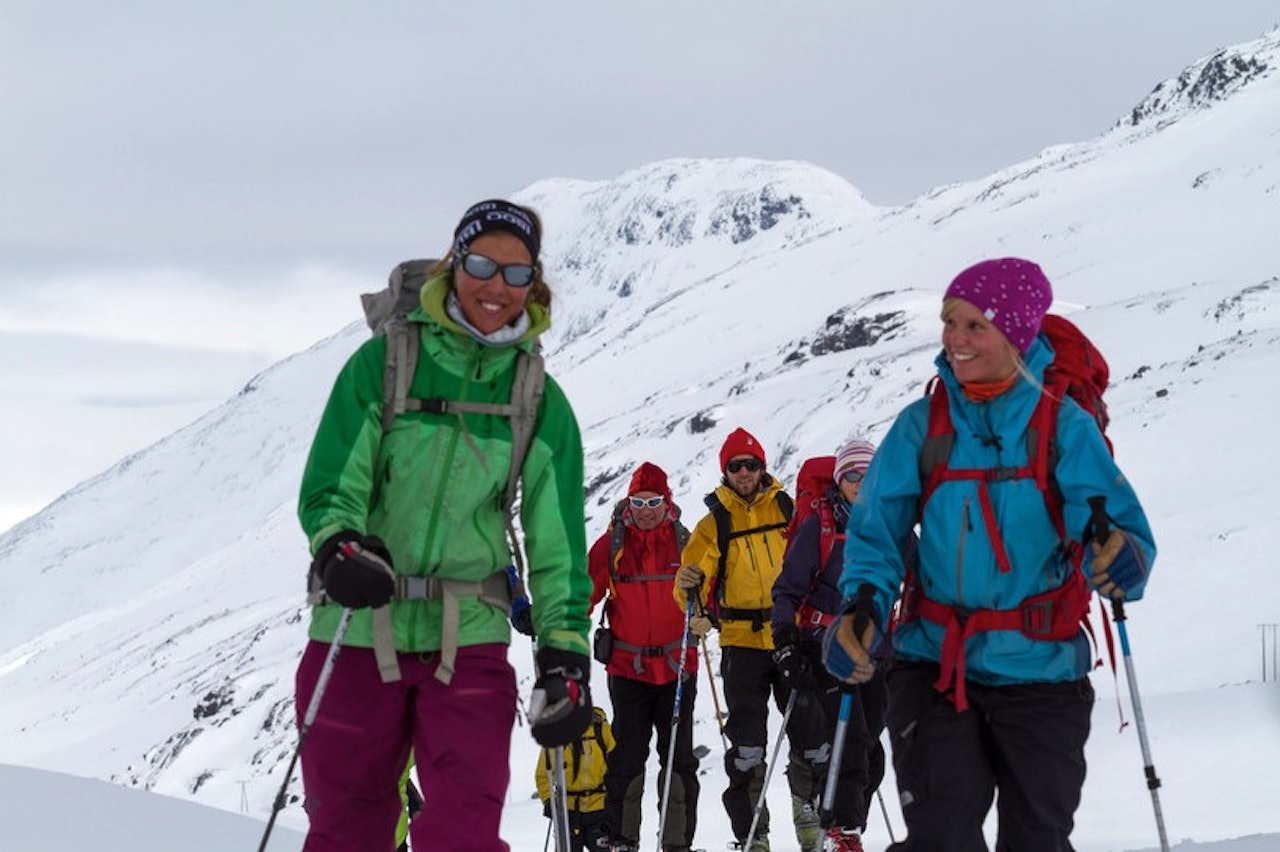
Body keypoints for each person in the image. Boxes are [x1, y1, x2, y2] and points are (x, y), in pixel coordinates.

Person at [295, 198, 594, 852]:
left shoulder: (538, 397)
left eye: (516, 274)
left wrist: (565, 647)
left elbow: (557, 538)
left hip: (471, 639)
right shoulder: (384, 365)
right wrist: (339, 546)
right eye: (482, 264)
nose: (497, 286)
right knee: (346, 830)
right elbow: (331, 482)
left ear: (533, 285)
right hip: (356, 625)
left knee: (463, 832)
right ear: (453, 264)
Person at [827, 257, 1156, 850]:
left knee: (1037, 839)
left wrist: (1119, 556)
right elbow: (877, 533)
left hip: (1042, 672)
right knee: (941, 835)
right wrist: (864, 606)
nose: (955, 339)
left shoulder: (1063, 427)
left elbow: (1113, 526)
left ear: (1017, 331)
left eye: (975, 325)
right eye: (950, 322)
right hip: (933, 666)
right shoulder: (920, 427)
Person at [675, 427, 804, 852]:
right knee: (747, 746)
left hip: (792, 636)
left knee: (810, 735)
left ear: (762, 468)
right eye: (736, 466)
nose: (744, 472)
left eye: (751, 465)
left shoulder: (789, 508)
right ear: (725, 471)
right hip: (741, 642)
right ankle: (753, 835)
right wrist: (690, 594)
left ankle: (815, 823)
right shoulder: (713, 525)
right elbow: (687, 586)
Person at [771, 440, 898, 852]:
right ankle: (840, 829)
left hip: (876, 651)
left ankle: (840, 818)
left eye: (868, 475)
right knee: (852, 737)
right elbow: (788, 589)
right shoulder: (820, 527)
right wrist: (786, 640)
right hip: (824, 648)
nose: (861, 483)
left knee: (871, 741)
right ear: (840, 481)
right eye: (852, 476)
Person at [589, 462, 700, 852]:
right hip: (628, 669)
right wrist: (557, 624)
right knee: (627, 757)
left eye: (653, 502)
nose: (646, 509)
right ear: (628, 502)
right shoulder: (611, 545)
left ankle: (676, 844)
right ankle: (622, 839)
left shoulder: (687, 542)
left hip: (677, 667)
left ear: (666, 502)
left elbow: (708, 591)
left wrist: (706, 616)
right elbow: (584, 592)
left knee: (678, 760)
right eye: (638, 501)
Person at [535, 705, 615, 852]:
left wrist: (617, 798)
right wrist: (549, 801)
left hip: (600, 809)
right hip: (568, 812)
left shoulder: (602, 730)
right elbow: (543, 774)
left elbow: (618, 767)